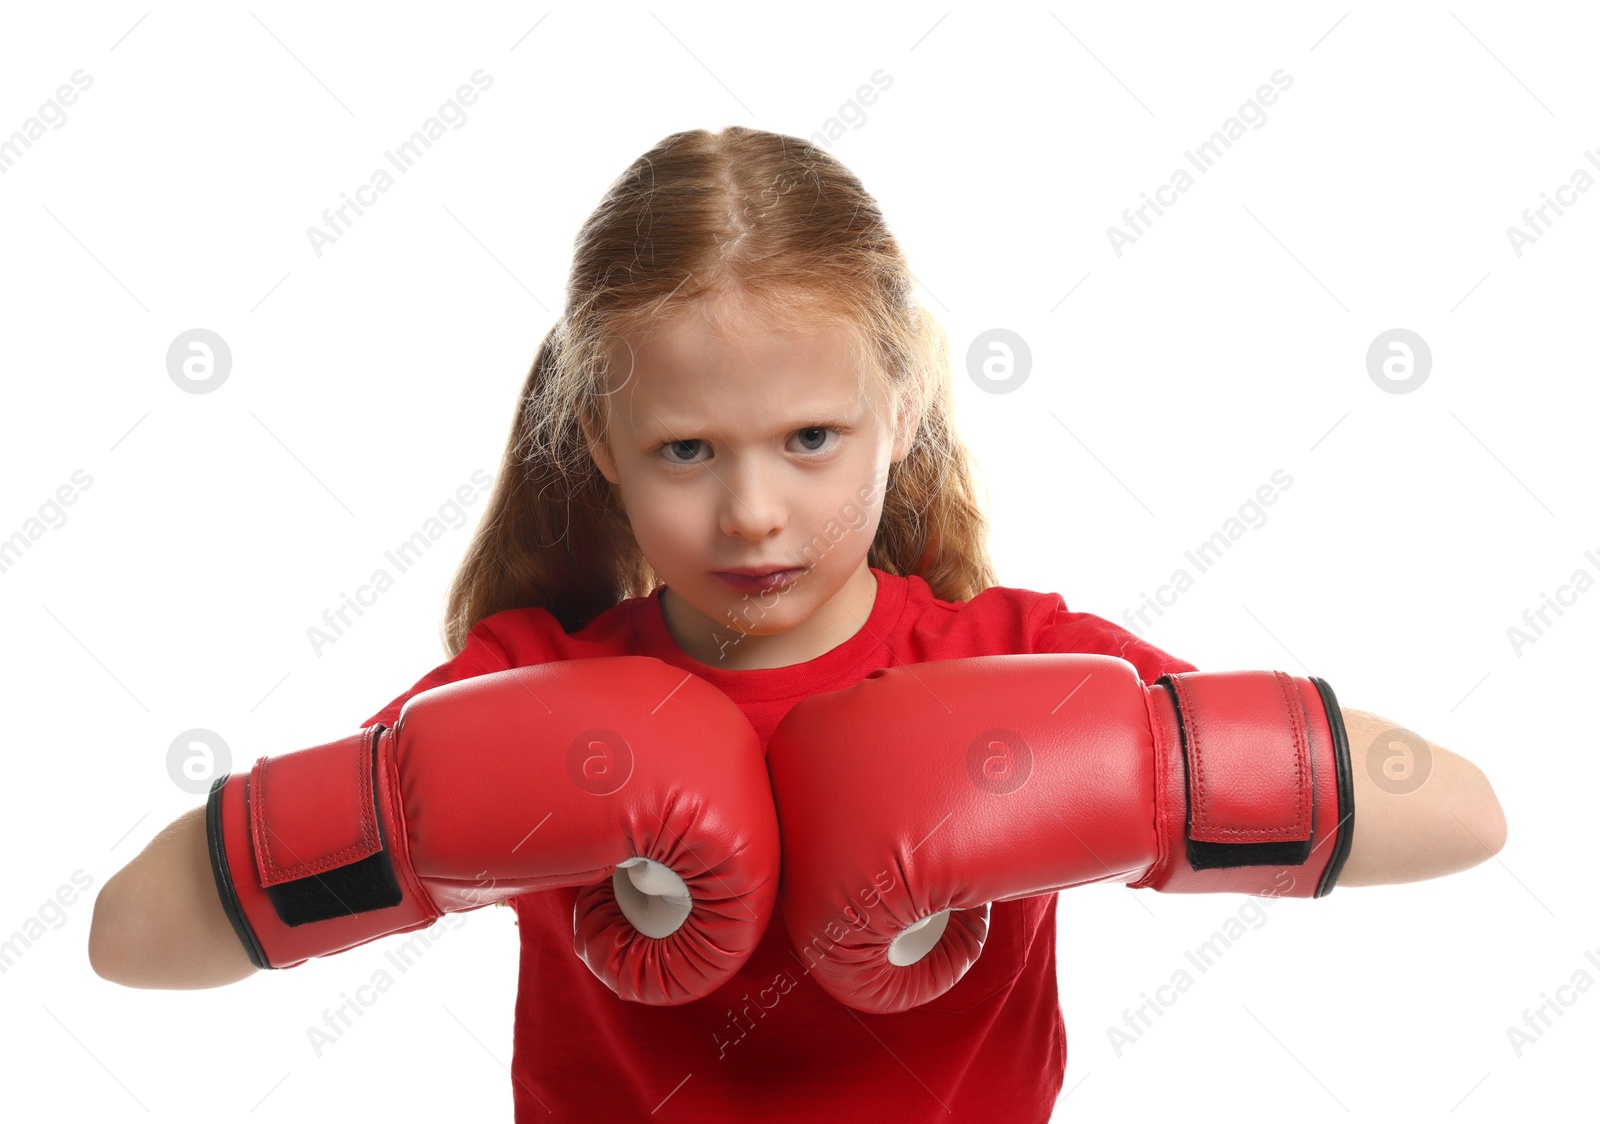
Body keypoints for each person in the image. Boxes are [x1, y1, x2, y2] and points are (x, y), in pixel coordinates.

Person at [87, 125, 1507, 1121]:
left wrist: (1135, 774)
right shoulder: (527, 685)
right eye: (687, 453)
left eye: (812, 438)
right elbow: (132, 936)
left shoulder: (1018, 663)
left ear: (901, 409)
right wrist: (410, 815)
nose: (755, 515)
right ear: (597, 440)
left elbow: (1460, 817)